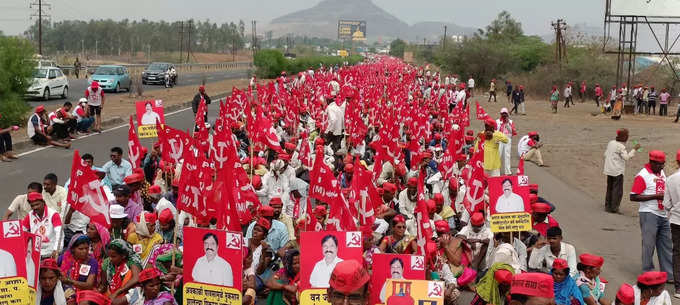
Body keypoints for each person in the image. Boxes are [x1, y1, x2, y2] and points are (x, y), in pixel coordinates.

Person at [631, 150, 673, 279]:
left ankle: (669, 274)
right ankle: (648, 271)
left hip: (662, 213)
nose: (661, 167)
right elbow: (633, 196)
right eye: (659, 164)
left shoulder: (661, 173)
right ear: (651, 162)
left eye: (663, 164)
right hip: (649, 213)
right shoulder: (642, 175)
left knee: (666, 244)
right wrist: (656, 196)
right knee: (649, 244)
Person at [603, 129, 639, 213]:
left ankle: (608, 206)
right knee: (617, 190)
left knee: (610, 188)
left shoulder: (611, 143)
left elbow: (605, 154)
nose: (627, 138)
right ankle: (614, 207)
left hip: (608, 169)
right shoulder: (621, 146)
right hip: (617, 171)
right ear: (623, 137)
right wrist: (634, 149)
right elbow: (626, 157)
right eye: (627, 136)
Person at [21, 192, 62, 259]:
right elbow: (22, 231)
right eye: (32, 206)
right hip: (35, 253)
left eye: (37, 204)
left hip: (50, 252)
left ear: (43, 202)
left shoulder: (53, 214)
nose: (35, 207)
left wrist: (56, 250)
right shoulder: (30, 215)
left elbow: (59, 234)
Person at [663, 149, 680, 297]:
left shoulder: (671, 179)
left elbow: (666, 204)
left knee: (677, 253)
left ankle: (678, 288)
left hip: (676, 220)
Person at [496, 108, 516, 175]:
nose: (504, 115)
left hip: (507, 139)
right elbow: (496, 131)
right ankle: (496, 171)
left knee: (507, 156)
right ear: (501, 114)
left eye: (505, 114)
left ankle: (508, 171)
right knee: (498, 155)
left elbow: (512, 132)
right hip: (499, 139)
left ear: (507, 114)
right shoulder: (497, 121)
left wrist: (507, 123)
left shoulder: (510, 122)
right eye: (503, 114)